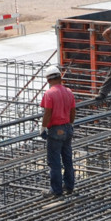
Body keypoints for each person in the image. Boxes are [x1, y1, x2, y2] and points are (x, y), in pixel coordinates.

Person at [40, 65, 77, 198]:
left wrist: (43, 128)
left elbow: (47, 112)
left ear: (48, 80)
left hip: (55, 130)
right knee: (67, 159)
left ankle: (56, 190)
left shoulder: (49, 93)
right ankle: (69, 186)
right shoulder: (69, 91)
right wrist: (71, 124)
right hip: (67, 128)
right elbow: (73, 110)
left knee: (54, 161)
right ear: (60, 77)